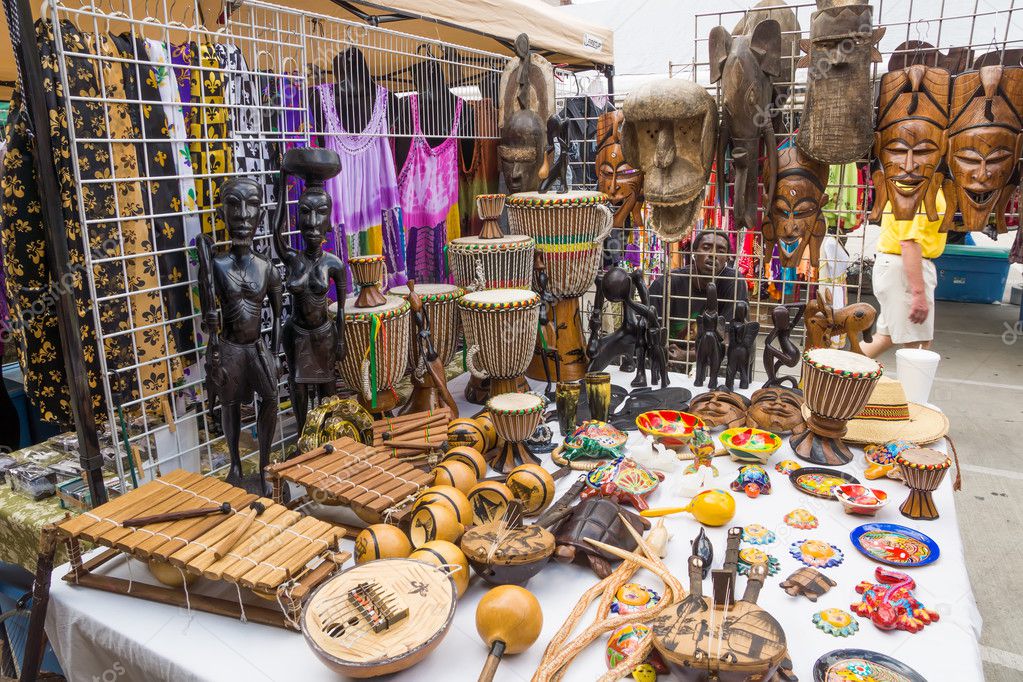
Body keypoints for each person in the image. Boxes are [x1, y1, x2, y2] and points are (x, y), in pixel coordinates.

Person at [861, 190, 947, 358]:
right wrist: (919, 293)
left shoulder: (919, 185)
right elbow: (908, 242)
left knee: (886, 338)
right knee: (917, 346)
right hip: (905, 266)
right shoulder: (914, 188)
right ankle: (833, 374)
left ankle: (833, 375)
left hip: (901, 266)